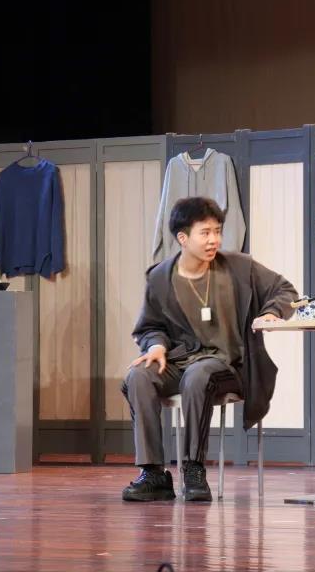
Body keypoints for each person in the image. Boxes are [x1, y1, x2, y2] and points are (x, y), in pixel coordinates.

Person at [121, 196, 298, 502]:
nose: (214, 239)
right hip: (180, 362)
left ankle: (193, 468)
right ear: (183, 238)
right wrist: (157, 345)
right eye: (205, 233)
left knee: (199, 375)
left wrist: (271, 313)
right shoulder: (160, 277)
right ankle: (153, 473)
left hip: (228, 365)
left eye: (217, 231)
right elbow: (150, 327)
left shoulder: (239, 267)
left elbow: (286, 291)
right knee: (138, 376)